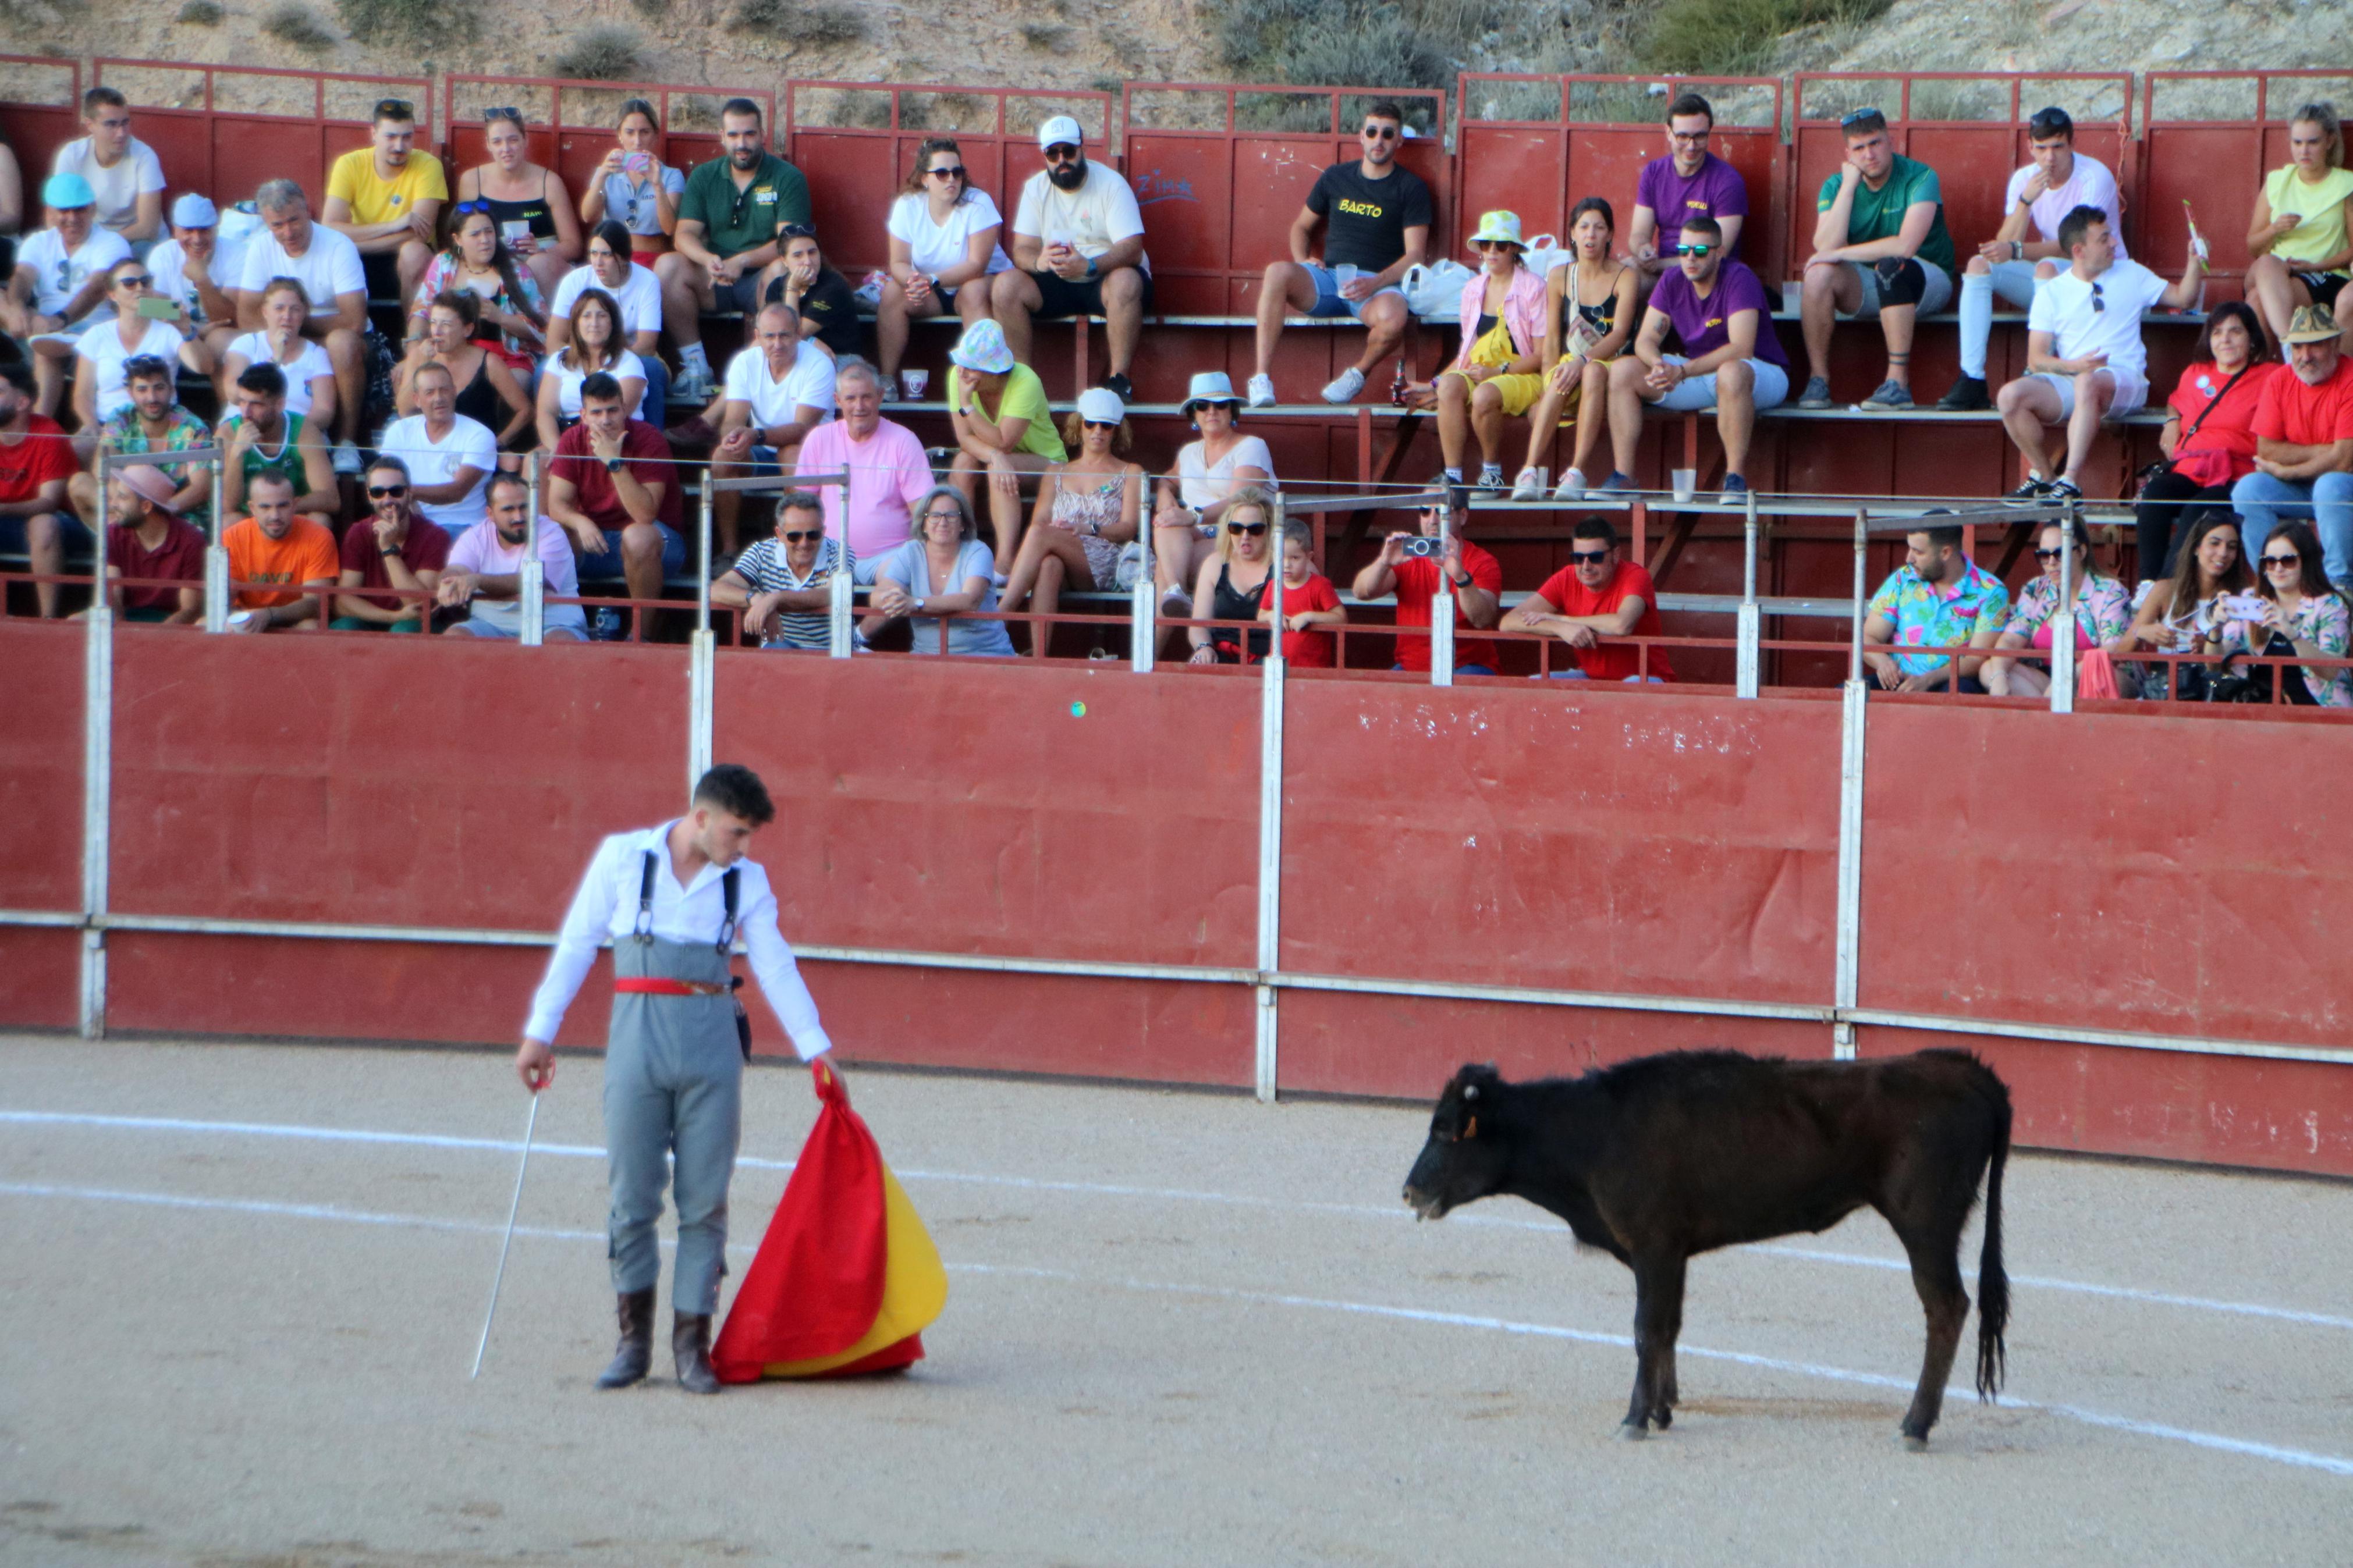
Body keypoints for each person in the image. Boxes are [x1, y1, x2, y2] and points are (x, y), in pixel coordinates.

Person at [516, 763, 839, 1395]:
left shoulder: (746, 880)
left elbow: (775, 967)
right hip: (637, 1041)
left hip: (712, 1043)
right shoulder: (622, 858)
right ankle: (632, 1344)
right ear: (701, 818)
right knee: (631, 1195)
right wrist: (540, 1030)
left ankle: (692, 1346)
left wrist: (815, 1050)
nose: (743, 848)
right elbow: (578, 942)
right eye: (737, 833)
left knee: (705, 1198)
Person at [1997, 207, 2205, 504]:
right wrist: (2073, 366)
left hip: (2125, 379)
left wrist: (2194, 262)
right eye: (2104, 238)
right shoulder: (2052, 292)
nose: (2114, 244)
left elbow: (2183, 298)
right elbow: (2036, 359)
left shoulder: (2131, 272)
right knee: (2009, 396)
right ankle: (2045, 477)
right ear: (2079, 250)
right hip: (2076, 378)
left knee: (2087, 382)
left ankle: (2069, 480)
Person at [1936, 106, 2129, 411]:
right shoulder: (2024, 180)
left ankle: (2041, 370)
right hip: (2052, 280)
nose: (2049, 158)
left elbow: (2079, 247)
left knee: (2045, 267)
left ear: (2072, 145)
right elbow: (2003, 247)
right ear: (2030, 148)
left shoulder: (2094, 177)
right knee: (1978, 266)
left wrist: (2018, 252)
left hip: (2100, 277)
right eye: (2041, 149)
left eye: (2058, 147)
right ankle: (1972, 378)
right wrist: (2026, 201)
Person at [1247, 99, 1431, 408]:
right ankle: (1261, 378)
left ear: (1399, 140)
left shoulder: (1411, 188)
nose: (1379, 140)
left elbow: (1416, 254)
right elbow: (1301, 227)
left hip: (1378, 286)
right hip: (1330, 279)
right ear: (1361, 136)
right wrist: (1302, 258)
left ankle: (1358, 374)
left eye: (1388, 134)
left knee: (1395, 318)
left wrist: (1376, 283)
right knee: (1277, 272)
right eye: (1372, 132)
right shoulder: (1336, 177)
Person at [1602, 215, 1788, 497]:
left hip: (1760, 371)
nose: (1690, 258)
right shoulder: (1673, 279)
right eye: (1683, 251)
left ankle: (1735, 479)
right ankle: (1624, 476)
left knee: (1731, 371)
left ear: (1720, 252)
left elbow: (1742, 349)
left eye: (1700, 251)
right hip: (1701, 373)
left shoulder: (1740, 278)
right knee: (1622, 371)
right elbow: (1646, 340)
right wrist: (1658, 364)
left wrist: (1683, 372)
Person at [1798, 108, 1958, 411]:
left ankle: (1898, 383)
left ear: (1890, 141)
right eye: (1859, 148)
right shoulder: (1836, 185)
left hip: (1927, 281)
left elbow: (1906, 246)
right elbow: (1824, 245)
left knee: (1892, 265)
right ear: (1848, 154)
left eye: (1876, 143)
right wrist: (1848, 187)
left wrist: (1841, 253)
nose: (1869, 154)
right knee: (1818, 273)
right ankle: (1819, 379)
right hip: (1873, 283)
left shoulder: (1920, 175)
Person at [657, 98, 811, 403]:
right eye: (734, 135)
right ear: (722, 136)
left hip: (761, 276)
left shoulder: (787, 177)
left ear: (763, 135)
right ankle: (695, 366)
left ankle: (757, 374)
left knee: (782, 270)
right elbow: (684, 234)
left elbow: (789, 243)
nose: (742, 144)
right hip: (714, 278)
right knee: (668, 266)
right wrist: (708, 259)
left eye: (750, 134)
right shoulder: (704, 176)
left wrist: (742, 261)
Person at [996, 116, 1149, 399]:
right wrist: (1039, 262)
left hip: (1102, 278)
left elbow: (1132, 247)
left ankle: (1119, 380)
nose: (1061, 160)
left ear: (1083, 149)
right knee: (1005, 287)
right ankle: (1023, 384)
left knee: (1126, 281)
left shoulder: (1111, 184)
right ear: (1045, 156)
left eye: (1069, 151)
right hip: (1057, 278)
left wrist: (1090, 265)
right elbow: (1021, 250)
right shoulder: (1036, 188)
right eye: (1053, 154)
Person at [998, 386, 1144, 653]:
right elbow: (1039, 520)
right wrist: (1060, 532)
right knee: (1048, 565)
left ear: (1117, 430)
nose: (1098, 431)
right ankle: (1040, 655)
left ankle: (1001, 614)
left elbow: (1128, 528)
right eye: (1091, 424)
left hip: (1107, 557)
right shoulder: (1055, 472)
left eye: (1107, 426)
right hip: (1061, 553)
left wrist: (1088, 528)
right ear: (1080, 425)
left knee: (1042, 535)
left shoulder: (1131, 472)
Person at [1407, 209, 1545, 493]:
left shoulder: (1534, 287)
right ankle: (1453, 477)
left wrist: (1498, 371)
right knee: (1448, 388)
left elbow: (1541, 355)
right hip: (1480, 369)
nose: (1492, 252)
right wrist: (1432, 383)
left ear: (1515, 250)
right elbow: (1467, 350)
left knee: (1484, 393)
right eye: (1486, 245)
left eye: (1501, 245)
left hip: (1523, 373)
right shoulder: (1473, 288)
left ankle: (1491, 472)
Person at [2138, 303, 2278, 580]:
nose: (2225, 339)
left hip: (2236, 474)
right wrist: (2172, 420)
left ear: (2252, 339)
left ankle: (2167, 588)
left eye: (2235, 331)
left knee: (2198, 509)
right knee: (2154, 495)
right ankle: (2147, 585)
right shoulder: (2195, 373)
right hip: (2192, 469)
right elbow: (2175, 402)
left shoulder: (2271, 376)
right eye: (2217, 332)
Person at [235, 180, 368, 471]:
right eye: (277, 225)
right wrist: (287, 331)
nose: (288, 232)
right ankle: (247, 432)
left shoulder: (337, 245)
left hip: (333, 337)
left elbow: (355, 320)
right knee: (229, 345)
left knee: (341, 344)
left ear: (308, 209)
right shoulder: (261, 247)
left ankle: (346, 442)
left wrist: (294, 325)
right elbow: (246, 316)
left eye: (294, 220)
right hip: (288, 335)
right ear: (266, 223)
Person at [1512, 195, 1637, 502]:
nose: (1591, 235)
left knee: (1592, 371)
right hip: (1570, 361)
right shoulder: (1559, 275)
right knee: (1559, 377)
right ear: (1572, 233)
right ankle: (1529, 470)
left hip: (1610, 361)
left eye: (1599, 228)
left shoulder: (1626, 276)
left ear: (1610, 234)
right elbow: (1553, 337)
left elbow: (1620, 334)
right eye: (1584, 227)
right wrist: (1547, 383)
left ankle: (1576, 472)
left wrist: (1583, 360)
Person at [2232, 305, 2353, 586]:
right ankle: (2272, 584)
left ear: (2335, 344)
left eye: (2315, 346)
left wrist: (2290, 472)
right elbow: (2267, 450)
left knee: (2330, 485)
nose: (2305, 356)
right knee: (2248, 490)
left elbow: (2343, 463)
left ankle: (2340, 587)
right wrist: (2327, 449)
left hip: (2342, 487)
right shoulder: (2280, 379)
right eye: (2297, 347)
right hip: (2306, 488)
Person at [878, 138, 1009, 391]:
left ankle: (983, 382)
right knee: (893, 292)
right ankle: (887, 380)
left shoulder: (978, 202)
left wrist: (930, 280)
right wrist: (913, 281)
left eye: (957, 172)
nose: (952, 179)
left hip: (980, 284)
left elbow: (977, 265)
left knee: (973, 290)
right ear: (924, 178)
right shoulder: (908, 206)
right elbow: (898, 262)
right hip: (932, 290)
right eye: (942, 173)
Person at [548, 371, 683, 610]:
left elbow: (645, 515)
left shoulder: (649, 439)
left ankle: (642, 637)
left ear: (624, 409)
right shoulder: (571, 439)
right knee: (550, 534)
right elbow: (557, 505)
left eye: (612, 410)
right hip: (594, 538)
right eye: (597, 413)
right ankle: (559, 622)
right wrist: (580, 522)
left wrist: (614, 462)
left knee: (637, 536)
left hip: (655, 543)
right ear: (583, 416)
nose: (606, 420)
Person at [788, 356, 931, 579]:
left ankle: (868, 615)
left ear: (880, 396)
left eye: (866, 397)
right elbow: (801, 508)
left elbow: (923, 514)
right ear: (837, 400)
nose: (859, 406)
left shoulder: (904, 440)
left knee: (891, 591)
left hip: (890, 558)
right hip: (830, 557)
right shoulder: (819, 438)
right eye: (851, 398)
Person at [712, 300, 835, 556]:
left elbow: (803, 429)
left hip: (811, 451)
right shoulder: (745, 362)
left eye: (784, 336)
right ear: (757, 336)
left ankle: (791, 551)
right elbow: (733, 419)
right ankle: (729, 551)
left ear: (799, 334)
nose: (777, 344)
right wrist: (732, 437)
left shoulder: (819, 364)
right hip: (761, 446)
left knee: (792, 453)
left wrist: (756, 435)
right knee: (722, 458)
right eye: (769, 336)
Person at [1151, 370, 1275, 616]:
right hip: (1194, 538)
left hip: (1240, 536)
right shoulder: (1189, 452)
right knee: (1166, 524)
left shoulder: (1252, 446)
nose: (1211, 411)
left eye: (1220, 405)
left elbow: (1239, 504)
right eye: (1202, 405)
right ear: (1194, 414)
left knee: (1164, 570)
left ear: (1232, 411)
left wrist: (1193, 516)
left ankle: (1152, 646)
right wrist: (1166, 497)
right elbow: (1167, 479)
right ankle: (1176, 591)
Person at [9, 174, 131, 419]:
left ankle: (38, 429)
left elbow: (97, 289)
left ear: (93, 209)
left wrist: (60, 320)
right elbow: (22, 278)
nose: (72, 218)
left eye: (80, 210)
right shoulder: (39, 241)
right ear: (50, 212)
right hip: (43, 328)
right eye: (64, 211)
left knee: (45, 347)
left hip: (93, 331)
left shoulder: (111, 242)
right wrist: (17, 307)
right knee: (21, 313)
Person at [945, 317, 1063, 563]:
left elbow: (1004, 442)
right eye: (961, 363)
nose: (962, 372)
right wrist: (995, 456)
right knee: (964, 462)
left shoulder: (1026, 381)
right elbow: (964, 438)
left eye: (971, 366)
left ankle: (1004, 561)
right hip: (997, 456)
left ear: (993, 370)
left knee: (998, 467)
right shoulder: (958, 376)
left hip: (1049, 462)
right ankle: (956, 553)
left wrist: (967, 405)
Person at [1350, 489, 1503, 676]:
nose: (1432, 519)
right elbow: (1361, 592)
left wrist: (1461, 576)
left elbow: (1482, 619)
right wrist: (1384, 562)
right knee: (1379, 697)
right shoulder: (1407, 556)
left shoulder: (1482, 561)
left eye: (1441, 511)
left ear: (1462, 516)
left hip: (1468, 668)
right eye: (1425, 511)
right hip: (1411, 668)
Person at [1504, 515, 1672, 681]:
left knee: (1631, 688)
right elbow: (1508, 622)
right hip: (1591, 677)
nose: (1586, 566)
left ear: (1615, 555)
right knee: (1536, 683)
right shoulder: (1566, 578)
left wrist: (1563, 620)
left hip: (1645, 679)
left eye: (1595, 558)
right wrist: (1558, 628)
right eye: (1577, 558)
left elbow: (1622, 625)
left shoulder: (1636, 576)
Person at [2244, 103, 2353, 355]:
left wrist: (2313, 266)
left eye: (2312, 142)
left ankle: (2270, 375)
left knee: (2257, 301)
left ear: (2330, 142)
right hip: (2275, 272)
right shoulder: (2277, 181)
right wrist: (2274, 230)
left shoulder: (2345, 184)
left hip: (2324, 274)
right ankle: (2289, 345)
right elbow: (2253, 247)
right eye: (2297, 142)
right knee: (2268, 263)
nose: (2303, 151)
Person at [1982, 518, 2133, 695]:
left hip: (2092, 678)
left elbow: (2113, 649)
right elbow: (2011, 640)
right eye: (2044, 556)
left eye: (2060, 554)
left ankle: (2043, 713)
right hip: (2047, 681)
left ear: (2082, 552)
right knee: (1990, 669)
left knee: (2096, 671)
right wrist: (1999, 677)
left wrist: (2065, 680)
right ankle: (2046, 713)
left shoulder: (2109, 591)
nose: (2052, 562)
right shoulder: (2036, 589)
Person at [436, 469, 589, 642]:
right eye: (508, 510)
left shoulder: (552, 533)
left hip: (555, 626)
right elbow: (457, 568)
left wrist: (477, 580)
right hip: (490, 626)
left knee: (560, 643)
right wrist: (451, 581)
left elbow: (535, 581)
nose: (518, 516)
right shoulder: (474, 537)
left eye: (524, 507)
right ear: (490, 514)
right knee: (455, 639)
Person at [321, 97, 445, 310]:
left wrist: (357, 243)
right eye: (391, 137)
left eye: (407, 137)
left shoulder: (428, 165)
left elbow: (419, 234)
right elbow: (330, 227)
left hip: (400, 254)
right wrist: (392, 225)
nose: (399, 146)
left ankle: (412, 337)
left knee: (415, 252)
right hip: (358, 256)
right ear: (374, 134)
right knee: (324, 253)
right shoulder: (349, 164)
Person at [864, 483, 1016, 656]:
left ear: (963, 524)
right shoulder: (911, 551)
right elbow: (878, 595)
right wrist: (892, 598)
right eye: (934, 516)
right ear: (923, 524)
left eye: (951, 516)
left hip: (984, 655)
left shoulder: (978, 551)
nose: (943, 522)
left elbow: (970, 600)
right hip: (926, 656)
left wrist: (916, 603)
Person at [2215, 519, 2353, 705]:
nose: (2278, 568)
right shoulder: (2250, 599)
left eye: (2288, 561)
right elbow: (2216, 664)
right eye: (2270, 562)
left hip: (2320, 714)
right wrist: (2214, 630)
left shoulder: (2330, 604)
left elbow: (2331, 671)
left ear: (2307, 561)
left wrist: (2292, 635)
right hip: (2260, 713)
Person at [70, 258, 208, 445]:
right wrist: (93, 425)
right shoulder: (97, 335)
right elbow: (82, 395)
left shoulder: (169, 331)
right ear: (112, 294)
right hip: (110, 426)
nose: (139, 288)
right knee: (79, 445)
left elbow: (202, 367)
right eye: (129, 283)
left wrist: (186, 331)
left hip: (160, 425)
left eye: (145, 282)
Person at [1861, 522, 2011, 691]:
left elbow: (1976, 660)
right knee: (1844, 695)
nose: (1909, 558)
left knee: (1960, 693)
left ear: (1945, 552)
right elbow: (1869, 636)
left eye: (1918, 552)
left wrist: (1928, 680)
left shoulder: (1991, 591)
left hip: (1953, 681)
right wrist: (1884, 663)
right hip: (1900, 679)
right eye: (1910, 549)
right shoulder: (1902, 578)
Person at [453, 105, 581, 300]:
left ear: (525, 140)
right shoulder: (472, 181)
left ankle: (544, 329)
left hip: (542, 265)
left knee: (539, 264)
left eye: (513, 140)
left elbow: (573, 244)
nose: (506, 149)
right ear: (488, 144)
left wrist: (542, 251)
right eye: (497, 142)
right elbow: (464, 235)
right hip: (492, 258)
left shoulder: (549, 182)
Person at [69, 353, 211, 528]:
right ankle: (118, 537)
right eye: (142, 390)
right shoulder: (121, 417)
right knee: (79, 484)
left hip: (175, 512)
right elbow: (102, 467)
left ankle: (120, 534)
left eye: (159, 388)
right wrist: (129, 505)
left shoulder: (193, 427)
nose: (152, 398)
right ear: (131, 393)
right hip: (128, 504)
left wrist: (156, 511)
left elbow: (201, 488)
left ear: (171, 390)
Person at [2117, 513, 2250, 699]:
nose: (2223, 553)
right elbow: (2123, 649)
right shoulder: (2165, 589)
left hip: (2221, 693)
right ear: (2196, 547)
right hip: (2171, 689)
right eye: (2214, 543)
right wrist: (2142, 632)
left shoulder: (2242, 596)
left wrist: (2212, 644)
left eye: (2232, 547)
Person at [546, 219, 667, 422]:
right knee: (544, 370)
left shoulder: (647, 280)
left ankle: (653, 445)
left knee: (651, 368)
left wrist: (608, 361)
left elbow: (647, 346)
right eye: (594, 254)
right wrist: (586, 361)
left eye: (606, 255)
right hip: (580, 357)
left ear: (624, 256)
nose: (598, 262)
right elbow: (554, 343)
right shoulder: (574, 281)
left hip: (626, 355)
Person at [1627, 93, 1751, 287]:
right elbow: (1638, 234)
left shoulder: (1728, 181)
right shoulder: (1653, 173)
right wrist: (1643, 250)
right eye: (1683, 136)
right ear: (1668, 132)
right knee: (1624, 276)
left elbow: (1718, 252)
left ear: (1710, 133)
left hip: (1710, 276)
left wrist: (1658, 265)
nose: (1691, 146)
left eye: (1700, 136)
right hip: (1664, 273)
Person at [709, 488, 850, 651]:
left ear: (823, 532)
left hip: (832, 651)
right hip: (780, 646)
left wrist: (775, 599)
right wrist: (756, 598)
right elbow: (715, 590)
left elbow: (833, 594)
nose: (804, 543)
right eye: (794, 536)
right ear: (779, 534)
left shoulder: (840, 553)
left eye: (813, 535)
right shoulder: (761, 552)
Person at [410, 203, 546, 367]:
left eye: (489, 232)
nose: (485, 240)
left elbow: (542, 328)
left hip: (506, 357)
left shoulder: (516, 270)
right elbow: (421, 311)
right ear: (458, 239)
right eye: (475, 234)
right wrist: (413, 353)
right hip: (452, 355)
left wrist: (500, 317)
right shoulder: (444, 263)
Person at [377, 361, 500, 537]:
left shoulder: (479, 435)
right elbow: (385, 480)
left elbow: (457, 491)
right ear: (417, 400)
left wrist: (404, 492)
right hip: (408, 519)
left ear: (454, 392)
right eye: (430, 393)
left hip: (461, 527)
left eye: (444, 390)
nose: (439, 398)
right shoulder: (400, 430)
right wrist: (408, 504)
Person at [398, 289, 532, 446]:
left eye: (446, 324)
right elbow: (404, 410)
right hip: (432, 446)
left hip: (474, 449)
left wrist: (498, 443)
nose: (437, 332)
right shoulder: (420, 356)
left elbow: (526, 411)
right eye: (433, 323)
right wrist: (422, 364)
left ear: (467, 329)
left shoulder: (489, 363)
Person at [332, 454, 449, 631]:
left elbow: (420, 604)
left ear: (409, 493)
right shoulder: (358, 533)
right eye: (378, 492)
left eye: (396, 491)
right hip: (373, 617)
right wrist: (394, 617)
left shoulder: (435, 536)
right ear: (369, 496)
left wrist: (388, 550)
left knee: (403, 630)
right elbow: (342, 602)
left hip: (416, 625)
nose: (388, 500)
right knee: (344, 627)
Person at [0, 360, 79, 618]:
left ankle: (48, 620)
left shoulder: (48, 433)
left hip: (58, 522)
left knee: (43, 524)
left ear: (22, 402)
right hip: (6, 521)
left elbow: (49, 503)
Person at [216, 361, 339, 528]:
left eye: (256, 404)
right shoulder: (227, 433)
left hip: (292, 518)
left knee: (320, 521)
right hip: (251, 521)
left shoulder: (303, 430)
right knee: (228, 523)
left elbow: (331, 498)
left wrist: (282, 508)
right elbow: (226, 506)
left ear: (280, 405)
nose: (246, 412)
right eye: (243, 402)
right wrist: (237, 453)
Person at [145, 193, 244, 398]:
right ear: (175, 231)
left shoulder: (237, 253)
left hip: (220, 333)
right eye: (188, 231)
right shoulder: (162, 255)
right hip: (182, 332)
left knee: (220, 341)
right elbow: (154, 309)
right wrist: (195, 331)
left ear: (216, 229)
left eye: (204, 230)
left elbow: (231, 318)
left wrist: (202, 280)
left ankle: (229, 417)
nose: (197, 239)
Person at [220, 470, 339, 631]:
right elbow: (224, 598)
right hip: (246, 618)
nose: (275, 515)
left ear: (295, 505)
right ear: (252, 508)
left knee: (311, 627)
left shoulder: (319, 536)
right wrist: (241, 617)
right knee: (205, 624)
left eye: (282, 506)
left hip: (294, 619)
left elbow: (316, 604)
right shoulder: (232, 537)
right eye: (265, 507)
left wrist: (270, 615)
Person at [50, 87, 162, 251]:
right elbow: (53, 214)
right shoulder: (72, 155)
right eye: (111, 125)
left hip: (134, 240)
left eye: (125, 123)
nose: (121, 133)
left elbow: (148, 228)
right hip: (88, 238)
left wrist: (102, 245)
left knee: (142, 252)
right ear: (90, 125)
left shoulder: (144, 156)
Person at [535, 285, 645, 449]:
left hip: (615, 440)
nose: (594, 323)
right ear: (576, 323)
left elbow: (615, 417)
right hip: (565, 439)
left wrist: (573, 452)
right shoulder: (559, 359)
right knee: (534, 461)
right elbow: (546, 413)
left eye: (602, 316)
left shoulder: (630, 362)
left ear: (613, 323)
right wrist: (558, 450)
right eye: (586, 316)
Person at [94, 464, 204, 624]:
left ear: (146, 506)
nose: (113, 504)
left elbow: (189, 610)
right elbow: (112, 594)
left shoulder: (190, 540)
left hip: (169, 624)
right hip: (126, 618)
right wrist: (120, 631)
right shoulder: (113, 534)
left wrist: (153, 638)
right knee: (74, 622)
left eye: (122, 497)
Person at [581, 98, 684, 267]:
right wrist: (601, 178)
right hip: (612, 258)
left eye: (644, 132)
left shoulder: (671, 176)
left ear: (656, 135)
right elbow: (588, 216)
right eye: (630, 133)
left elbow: (669, 229)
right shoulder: (607, 172)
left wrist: (657, 186)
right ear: (620, 135)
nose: (637, 141)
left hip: (653, 257)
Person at [224, 277, 337, 427]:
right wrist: (275, 360)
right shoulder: (247, 344)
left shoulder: (317, 355)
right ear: (265, 312)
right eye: (279, 308)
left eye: (295, 309)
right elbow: (232, 393)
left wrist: (286, 432)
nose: (287, 316)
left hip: (295, 435)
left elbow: (324, 412)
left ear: (304, 313)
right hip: (245, 425)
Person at [1185, 485, 1276, 664]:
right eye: (1237, 528)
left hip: (1271, 660)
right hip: (1221, 656)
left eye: (1255, 529)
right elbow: (1198, 625)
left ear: (1269, 530)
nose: (1245, 536)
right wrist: (1204, 647)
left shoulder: (1285, 565)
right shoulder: (1214, 564)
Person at [758, 224, 861, 360]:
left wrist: (793, 288)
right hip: (795, 354)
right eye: (798, 255)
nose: (807, 261)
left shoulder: (834, 286)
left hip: (839, 357)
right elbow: (771, 333)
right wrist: (812, 342)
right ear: (784, 261)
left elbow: (794, 334)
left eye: (812, 252)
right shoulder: (776, 287)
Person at [1261, 518, 1346, 667]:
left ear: (1309, 558)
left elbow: (1341, 618)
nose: (1287, 564)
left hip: (1313, 669)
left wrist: (1310, 617)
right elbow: (1261, 615)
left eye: (1295, 558)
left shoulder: (1320, 585)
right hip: (1278, 667)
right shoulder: (1274, 585)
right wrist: (1273, 616)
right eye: (1280, 557)